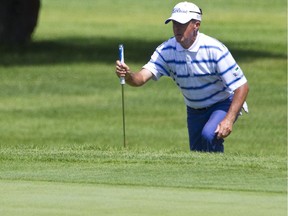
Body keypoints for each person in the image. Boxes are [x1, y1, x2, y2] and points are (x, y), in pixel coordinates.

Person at [115, 1, 249, 153]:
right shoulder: (166, 50)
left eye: (182, 24)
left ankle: (219, 175)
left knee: (208, 136)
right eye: (174, 23)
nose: (177, 28)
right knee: (197, 154)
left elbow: (242, 86)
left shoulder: (214, 49)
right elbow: (140, 79)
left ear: (196, 25)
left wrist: (229, 119)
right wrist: (128, 75)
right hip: (194, 109)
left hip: (221, 103)